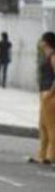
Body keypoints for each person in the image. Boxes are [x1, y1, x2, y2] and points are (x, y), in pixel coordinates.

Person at [31, 32, 55, 165]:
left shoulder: (53, 56)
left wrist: (50, 93)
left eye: (42, 40)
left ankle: (51, 156)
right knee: (43, 125)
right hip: (44, 94)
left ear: (46, 42)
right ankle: (42, 154)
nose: (40, 42)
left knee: (52, 127)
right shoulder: (46, 56)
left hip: (50, 96)